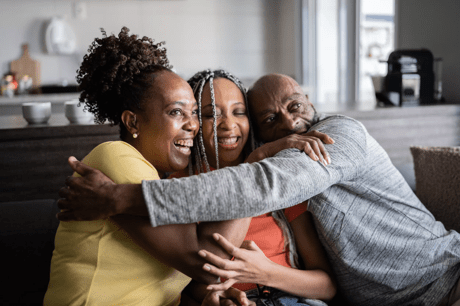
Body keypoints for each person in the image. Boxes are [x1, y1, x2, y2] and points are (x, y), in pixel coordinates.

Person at [57, 73, 460, 306]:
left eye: (295, 106)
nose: (289, 124)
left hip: (446, 281)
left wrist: (120, 198)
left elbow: (261, 186)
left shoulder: (339, 136)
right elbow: (198, 273)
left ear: (310, 102)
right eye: (269, 118)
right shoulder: (201, 184)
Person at [44, 27, 255, 306]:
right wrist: (256, 166)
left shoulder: (156, 179)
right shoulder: (116, 157)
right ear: (133, 122)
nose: (192, 125)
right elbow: (207, 263)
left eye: (193, 113)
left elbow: (170, 272)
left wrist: (208, 296)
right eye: (176, 112)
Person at [175, 69, 336, 305]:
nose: (228, 124)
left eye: (238, 112)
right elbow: (181, 283)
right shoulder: (176, 186)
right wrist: (211, 298)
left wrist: (265, 272)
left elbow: (327, 286)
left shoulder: (277, 176)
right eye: (211, 115)